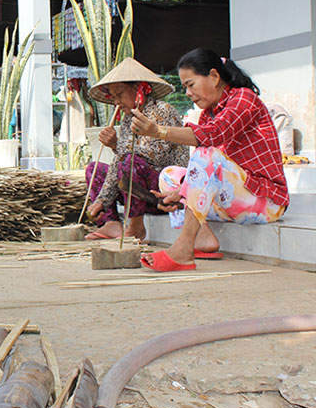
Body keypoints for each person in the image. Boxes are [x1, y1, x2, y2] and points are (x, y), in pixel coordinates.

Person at [131, 48, 289, 272]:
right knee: (169, 176)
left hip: (266, 202)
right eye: (185, 87)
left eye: (190, 84)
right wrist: (182, 192)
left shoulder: (245, 98)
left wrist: (158, 131)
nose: (187, 93)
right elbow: (204, 167)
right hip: (233, 200)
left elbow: (214, 137)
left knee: (206, 154)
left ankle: (184, 248)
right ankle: (202, 239)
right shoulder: (209, 112)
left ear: (214, 77)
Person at [84, 58, 189, 242]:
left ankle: (136, 225)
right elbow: (119, 161)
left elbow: (152, 155)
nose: (116, 102)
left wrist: (117, 145)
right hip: (136, 190)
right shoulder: (127, 120)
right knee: (95, 169)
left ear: (139, 89)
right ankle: (110, 223)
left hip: (164, 193)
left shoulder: (163, 111)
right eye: (113, 97)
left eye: (120, 94)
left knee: (131, 162)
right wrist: (102, 200)